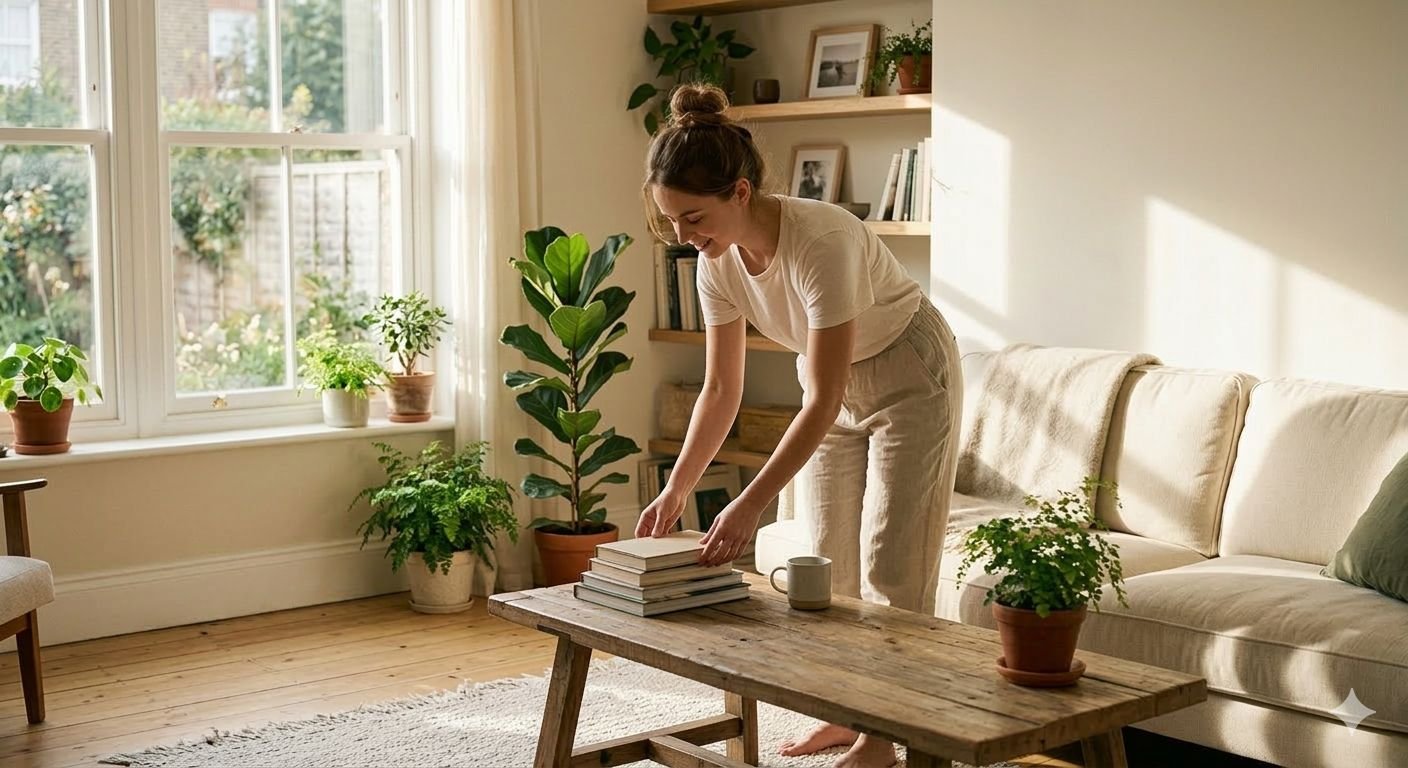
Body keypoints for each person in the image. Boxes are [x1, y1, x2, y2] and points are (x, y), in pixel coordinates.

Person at [634, 83, 964, 768]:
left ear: (742, 192)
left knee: (892, 565)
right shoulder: (714, 263)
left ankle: (886, 739)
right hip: (834, 390)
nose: (683, 237)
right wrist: (677, 490)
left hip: (910, 372)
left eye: (693, 218)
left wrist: (749, 504)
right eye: (671, 222)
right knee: (830, 568)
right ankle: (846, 717)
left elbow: (820, 396)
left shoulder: (822, 240)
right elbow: (723, 388)